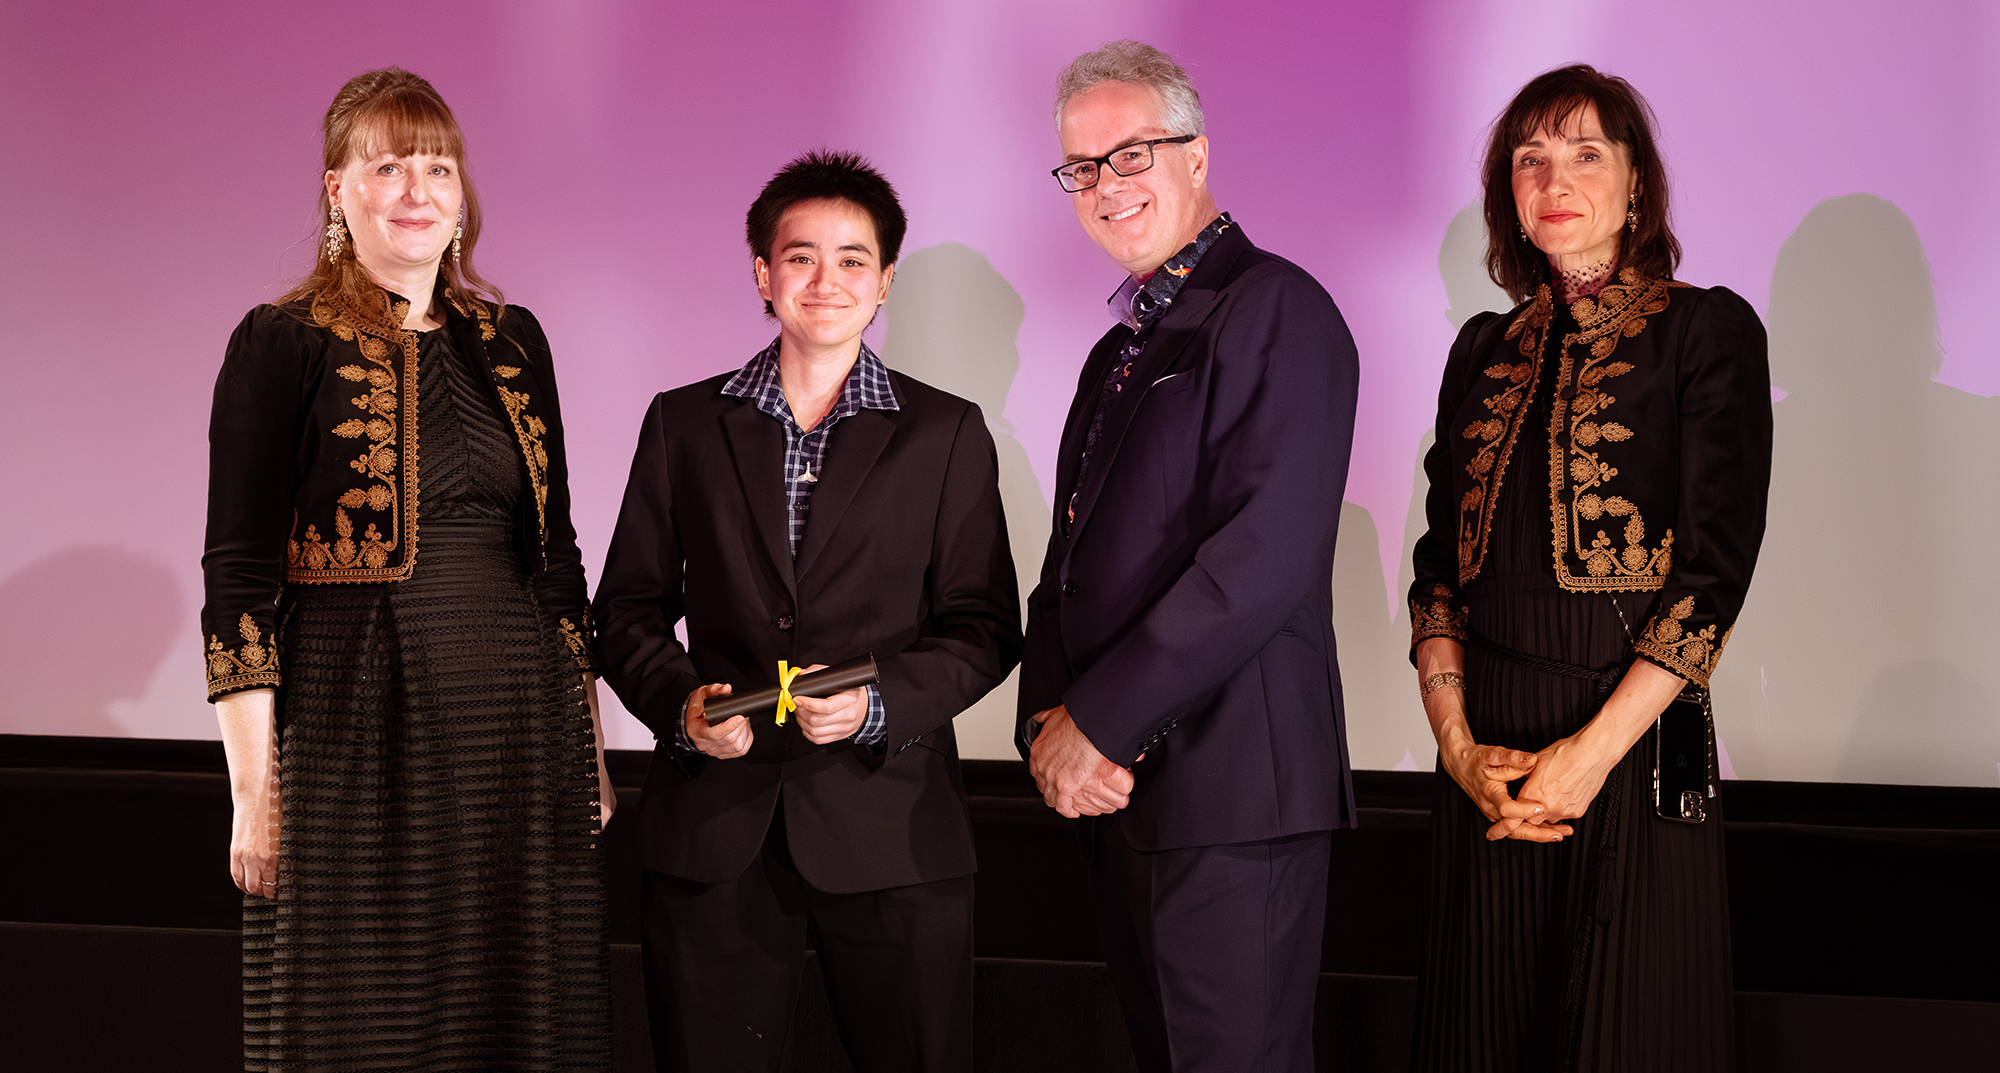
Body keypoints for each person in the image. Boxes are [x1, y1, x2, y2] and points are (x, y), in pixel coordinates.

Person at [200, 68, 612, 1069]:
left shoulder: (513, 341)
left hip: (514, 721)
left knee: (513, 1006)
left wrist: (589, 742)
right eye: (387, 165)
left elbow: (556, 562)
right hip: (356, 715)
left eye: (438, 165)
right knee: (360, 1007)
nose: (418, 188)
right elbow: (238, 573)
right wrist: (255, 792)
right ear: (338, 190)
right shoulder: (281, 340)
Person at [592, 150, 1021, 1073]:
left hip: (894, 826)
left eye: (853, 259)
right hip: (714, 830)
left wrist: (879, 704)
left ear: (884, 281)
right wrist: (682, 703)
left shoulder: (944, 431)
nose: (826, 281)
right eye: (800, 257)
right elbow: (623, 609)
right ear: (762, 273)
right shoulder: (684, 422)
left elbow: (984, 624)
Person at [1405, 64, 1771, 1072]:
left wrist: (1587, 755)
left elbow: (1711, 578)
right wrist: (1455, 745)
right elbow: (1437, 570)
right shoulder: (1481, 349)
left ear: (1635, 186)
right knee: (1478, 1038)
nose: (1552, 178)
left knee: (1625, 1038)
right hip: (1487, 761)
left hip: (1629, 746)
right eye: (1529, 159)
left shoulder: (1704, 331)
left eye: (1582, 153)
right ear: (1506, 197)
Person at [1016, 41, 1360, 1073]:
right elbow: (1064, 560)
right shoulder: (1116, 348)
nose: (1105, 186)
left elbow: (1261, 557)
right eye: (1081, 166)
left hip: (1228, 792)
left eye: (1130, 154)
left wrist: (1100, 718)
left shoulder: (1274, 309)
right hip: (1125, 793)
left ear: (1196, 155)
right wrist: (1047, 714)